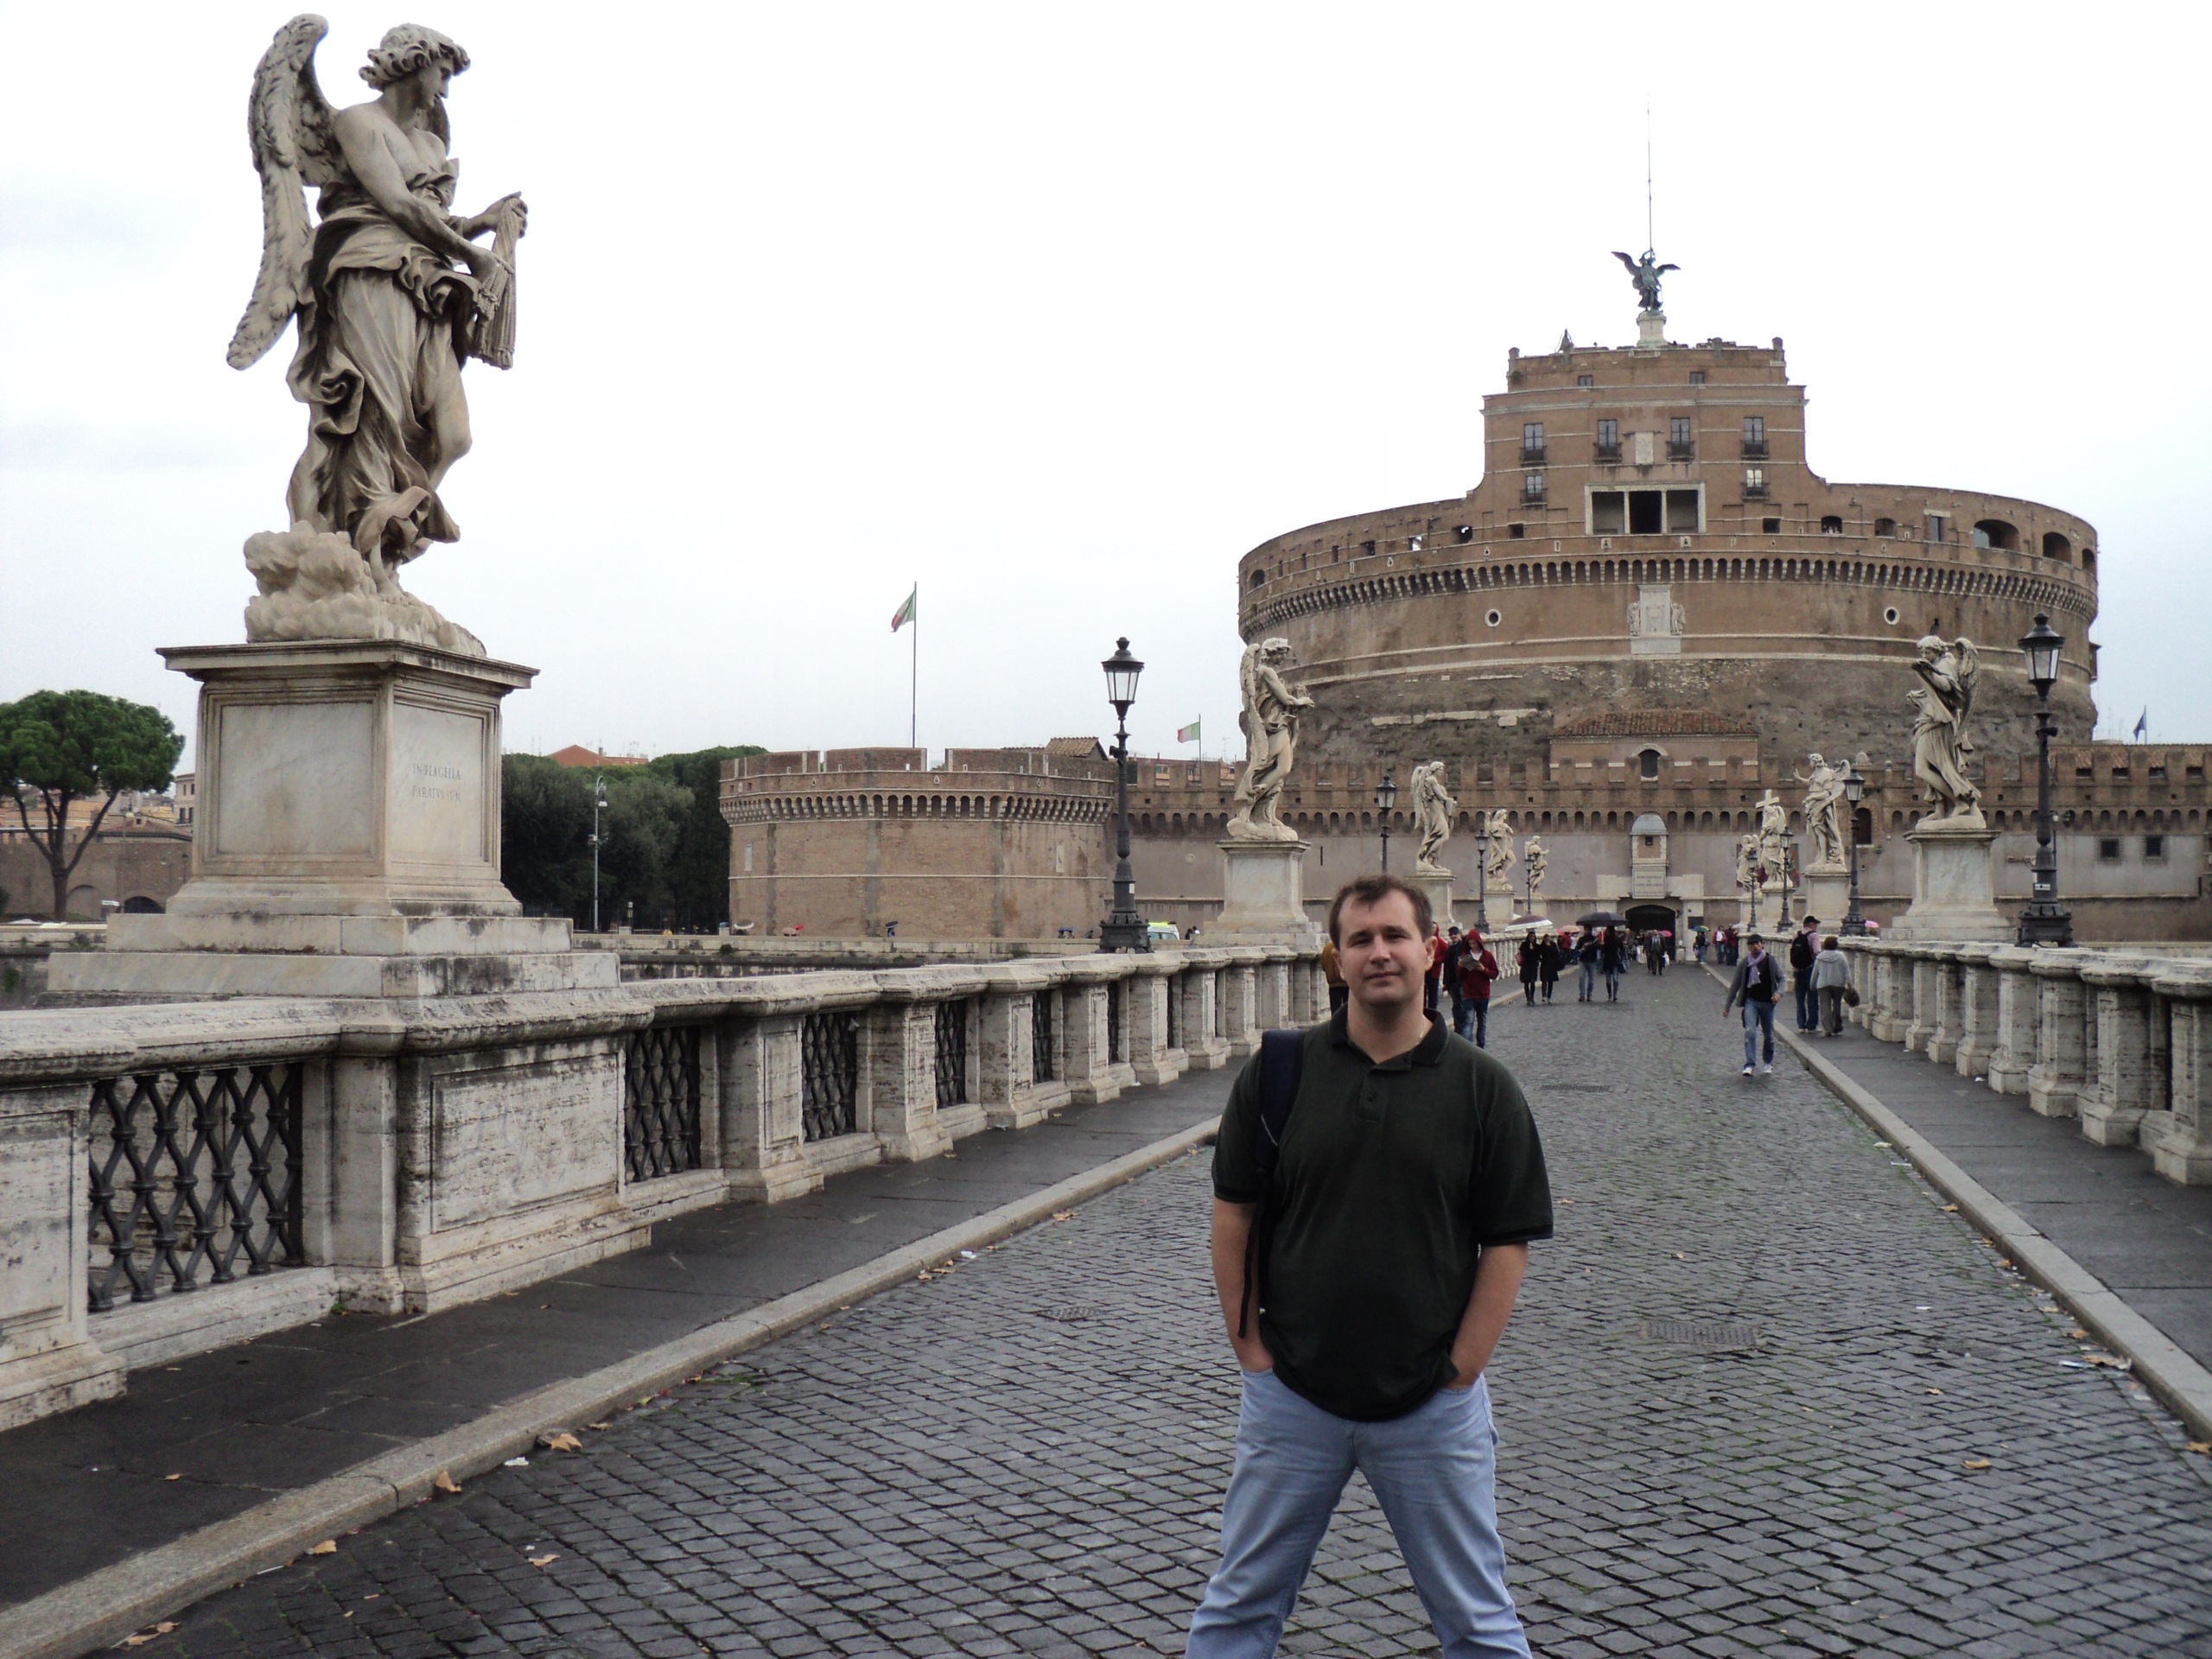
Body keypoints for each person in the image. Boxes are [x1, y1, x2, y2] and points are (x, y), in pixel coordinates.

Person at [1191, 874, 1553, 1658]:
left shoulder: (1483, 1087)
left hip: (1432, 1407)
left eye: (1394, 936)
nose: (1379, 953)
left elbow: (1508, 1240)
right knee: (1239, 1608)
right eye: (1360, 940)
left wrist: (1461, 1369)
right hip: (1292, 1397)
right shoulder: (1280, 1072)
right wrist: (1250, 1351)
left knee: (1479, 1623)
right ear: (1336, 959)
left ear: (1430, 951)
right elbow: (1233, 1214)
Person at [1723, 931, 1782, 1076]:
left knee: (1769, 1035)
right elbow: (1735, 985)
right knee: (1750, 1031)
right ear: (1748, 947)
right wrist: (1727, 1007)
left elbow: (1782, 979)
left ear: (1762, 945)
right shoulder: (1745, 963)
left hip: (1768, 1002)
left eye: (1757, 943)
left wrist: (1778, 993)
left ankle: (1768, 1062)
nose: (1755, 946)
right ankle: (1750, 1064)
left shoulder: (1770, 961)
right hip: (1751, 1002)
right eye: (1752, 944)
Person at [1456, 927, 1500, 1047]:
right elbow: (1460, 976)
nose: (1473, 946)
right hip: (1469, 993)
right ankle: (1467, 1047)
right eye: (1470, 944)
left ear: (1479, 942)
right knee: (1468, 1021)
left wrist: (1484, 970)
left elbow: (1495, 973)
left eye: (1474, 943)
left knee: (1482, 1021)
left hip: (1483, 993)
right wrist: (1461, 967)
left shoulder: (1488, 956)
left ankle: (1481, 1045)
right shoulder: (1465, 955)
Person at [1789, 916, 1821, 1033]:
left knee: (1800, 999)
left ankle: (1801, 1025)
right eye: (1815, 924)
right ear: (1811, 924)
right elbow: (1817, 952)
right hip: (1809, 969)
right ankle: (1812, 1025)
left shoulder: (1796, 935)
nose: (1816, 926)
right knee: (1812, 997)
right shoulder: (1814, 935)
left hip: (1797, 970)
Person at [1812, 935, 1850, 1035]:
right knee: (1837, 1005)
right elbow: (1846, 971)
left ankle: (1827, 1029)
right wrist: (1849, 983)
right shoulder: (1841, 956)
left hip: (1823, 984)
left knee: (1825, 1007)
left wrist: (1812, 984)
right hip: (1838, 983)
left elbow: (1815, 972)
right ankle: (1836, 1025)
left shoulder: (1820, 957)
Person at [1442, 925, 1469, 1034]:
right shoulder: (1449, 949)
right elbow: (1446, 967)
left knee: (1463, 1004)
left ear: (1459, 934)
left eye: (1455, 934)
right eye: (1451, 934)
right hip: (1452, 982)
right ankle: (1458, 1027)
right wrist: (1445, 982)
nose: (1453, 936)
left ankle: (1464, 1027)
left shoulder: (1463, 947)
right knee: (1456, 1005)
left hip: (1461, 981)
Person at [1319, 935, 1347, 1016]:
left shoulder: (1327, 949)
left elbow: (1323, 964)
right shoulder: (1343, 947)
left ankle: (1336, 1023)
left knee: (1335, 1008)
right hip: (1346, 983)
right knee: (1347, 1009)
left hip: (1332, 984)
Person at [1425, 924, 1447, 1016]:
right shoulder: (1424, 940)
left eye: (1434, 928)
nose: (1432, 929)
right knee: (1422, 995)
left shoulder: (1441, 942)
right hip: (1424, 971)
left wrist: (1436, 960)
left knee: (1433, 995)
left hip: (1434, 972)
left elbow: (1445, 955)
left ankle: (1432, 1014)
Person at [1599, 926, 1626, 1003]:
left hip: (1614, 961)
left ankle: (1614, 995)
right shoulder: (1606, 940)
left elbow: (1622, 949)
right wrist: (1602, 946)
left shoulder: (1616, 940)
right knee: (1609, 979)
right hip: (1608, 961)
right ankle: (1610, 995)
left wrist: (1621, 957)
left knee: (1615, 978)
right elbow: (1603, 951)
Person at [1574, 929, 1599, 1002]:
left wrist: (1590, 944)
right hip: (1583, 960)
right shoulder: (1581, 939)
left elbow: (1598, 947)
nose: (1587, 931)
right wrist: (1582, 946)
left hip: (1592, 960)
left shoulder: (1594, 939)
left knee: (1591, 980)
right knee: (1582, 978)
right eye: (1586, 929)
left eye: (1588, 930)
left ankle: (1589, 995)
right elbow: (1577, 948)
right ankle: (1582, 995)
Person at [1536, 933, 1561, 1003]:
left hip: (1551, 965)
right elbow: (1538, 954)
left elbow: (1556, 953)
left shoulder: (1553, 945)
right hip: (1544, 964)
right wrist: (1540, 960)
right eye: (1546, 939)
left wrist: (1550, 947)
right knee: (1544, 980)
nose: (1547, 940)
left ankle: (1549, 997)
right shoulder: (1542, 946)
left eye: (1548, 938)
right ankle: (1544, 996)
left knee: (1550, 981)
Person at [1517, 934, 1539, 1003]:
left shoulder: (1537, 946)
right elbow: (1522, 954)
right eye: (1531, 936)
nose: (1532, 938)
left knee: (1533, 982)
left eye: (1533, 937)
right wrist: (1529, 950)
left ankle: (1532, 997)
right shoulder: (1524, 945)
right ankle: (1528, 998)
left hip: (1533, 965)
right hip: (1525, 965)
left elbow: (1538, 955)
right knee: (1526, 982)